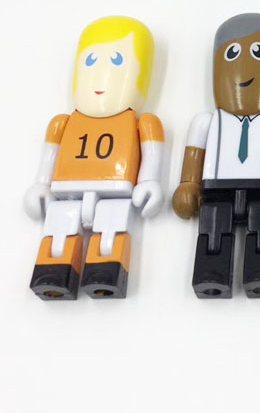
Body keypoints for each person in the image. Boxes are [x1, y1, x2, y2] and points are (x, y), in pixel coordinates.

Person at [172, 13, 260, 298]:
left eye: (259, 54)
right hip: (215, 191)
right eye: (233, 54)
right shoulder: (206, 122)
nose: (245, 67)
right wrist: (188, 184)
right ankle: (211, 277)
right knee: (212, 237)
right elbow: (194, 155)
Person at [24, 16, 164, 299]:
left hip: (117, 194)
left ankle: (105, 276)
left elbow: (152, 152)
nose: (102, 75)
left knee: (110, 234)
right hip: (66, 193)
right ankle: (52, 276)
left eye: (117, 61)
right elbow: (50, 155)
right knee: (58, 235)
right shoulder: (63, 122)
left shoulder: (143, 121)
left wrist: (149, 181)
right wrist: (40, 184)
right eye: (90, 62)